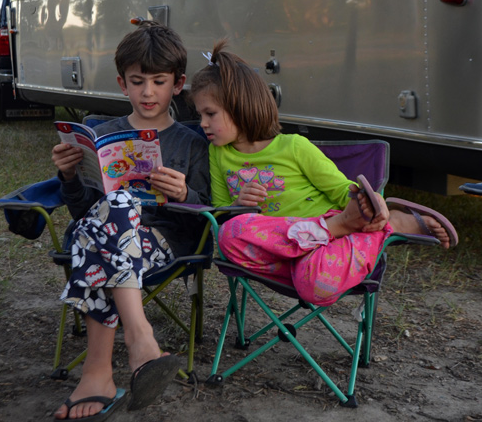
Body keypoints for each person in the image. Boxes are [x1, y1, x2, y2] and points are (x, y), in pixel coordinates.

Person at [191, 40, 458, 308]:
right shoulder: (218, 154)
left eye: (210, 114)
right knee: (229, 233)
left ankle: (384, 223)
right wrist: (238, 206)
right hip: (279, 253)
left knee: (317, 288)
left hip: (328, 239)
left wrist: (361, 205)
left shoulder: (293, 146)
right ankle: (384, 228)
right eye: (200, 114)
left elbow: (343, 191)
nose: (202, 123)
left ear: (240, 106)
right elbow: (220, 213)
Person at [51, 22, 210, 422]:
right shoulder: (102, 135)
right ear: (122, 83)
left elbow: (208, 211)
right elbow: (84, 210)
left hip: (165, 240)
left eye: (159, 81)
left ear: (178, 85)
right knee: (108, 212)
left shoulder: (192, 144)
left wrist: (184, 194)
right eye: (138, 82)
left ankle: (97, 374)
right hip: (103, 237)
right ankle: (140, 341)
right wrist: (69, 178)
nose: (148, 92)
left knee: (100, 232)